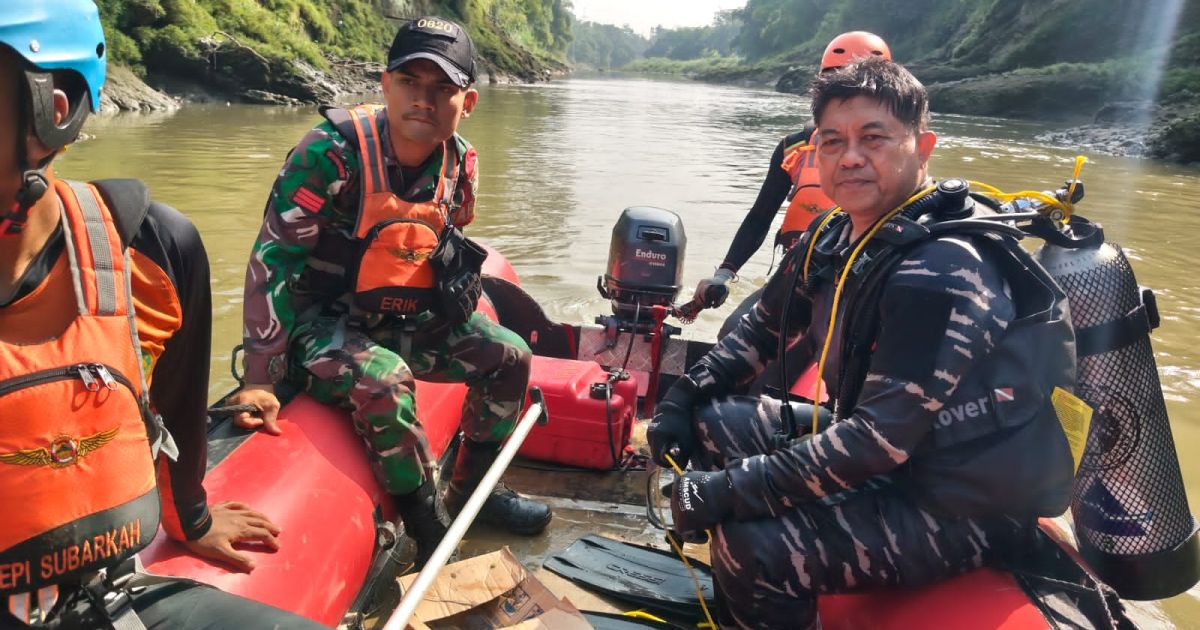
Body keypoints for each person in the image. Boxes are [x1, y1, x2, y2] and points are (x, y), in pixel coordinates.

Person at [647, 58, 1076, 629]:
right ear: (814, 151)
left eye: (873, 138)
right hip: (901, 462)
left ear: (923, 146)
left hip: (963, 503)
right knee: (712, 418)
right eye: (832, 141)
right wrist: (683, 396)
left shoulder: (944, 269)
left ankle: (753, 584)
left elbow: (877, 443)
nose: (850, 156)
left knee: (752, 550)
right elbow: (763, 328)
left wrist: (728, 490)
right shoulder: (836, 233)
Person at [0, 2, 322, 628]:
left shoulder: (153, 248)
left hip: (102, 598)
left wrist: (191, 519)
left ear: (51, 112)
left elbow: (174, 408)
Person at [228, 16, 552, 569]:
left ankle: (473, 490)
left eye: (442, 88)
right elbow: (274, 260)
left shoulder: (461, 163)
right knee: (384, 378)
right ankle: (426, 523)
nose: (423, 99)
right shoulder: (330, 153)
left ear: (467, 101)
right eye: (409, 82)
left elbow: (440, 240)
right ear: (384, 84)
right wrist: (260, 376)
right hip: (322, 323)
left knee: (510, 356)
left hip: (409, 316)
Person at [691, 31, 891, 340]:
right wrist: (725, 272)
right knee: (733, 332)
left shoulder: (896, 152)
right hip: (800, 278)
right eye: (836, 87)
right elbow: (760, 217)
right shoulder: (794, 147)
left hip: (865, 284)